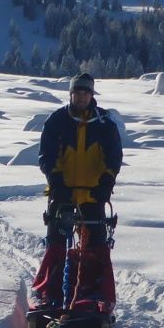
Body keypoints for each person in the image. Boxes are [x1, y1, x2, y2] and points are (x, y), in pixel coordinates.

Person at [32, 72, 122, 311]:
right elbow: (47, 156)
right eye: (77, 93)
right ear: (71, 94)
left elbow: (113, 158)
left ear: (91, 95)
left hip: (93, 194)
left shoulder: (104, 123)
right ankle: (50, 294)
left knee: (95, 247)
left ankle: (93, 295)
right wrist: (56, 179)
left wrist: (106, 183)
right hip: (62, 193)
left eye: (86, 92)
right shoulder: (57, 121)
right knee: (57, 244)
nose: (81, 97)